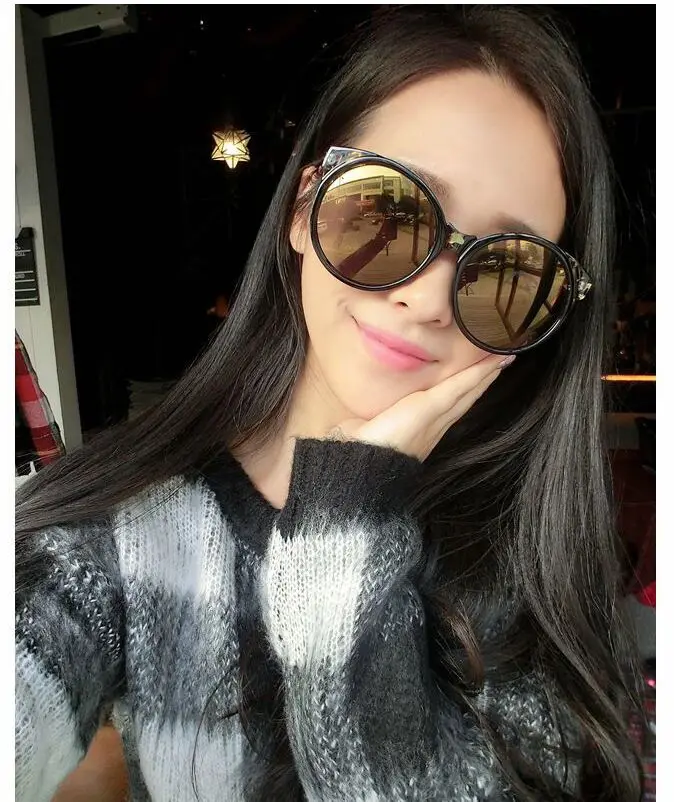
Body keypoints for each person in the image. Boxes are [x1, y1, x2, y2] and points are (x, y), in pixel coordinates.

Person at [16, 6, 645, 802]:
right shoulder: (122, 533)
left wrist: (348, 517)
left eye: (507, 270)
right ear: (303, 208)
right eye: (388, 210)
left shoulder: (531, 558)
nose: (428, 300)